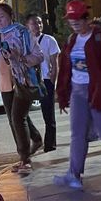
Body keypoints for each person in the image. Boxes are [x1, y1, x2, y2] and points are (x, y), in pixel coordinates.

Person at [55, 0, 101, 189]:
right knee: (77, 134)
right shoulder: (72, 40)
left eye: (77, 19)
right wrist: (63, 91)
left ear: (86, 18)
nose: (74, 23)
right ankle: (75, 174)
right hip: (78, 92)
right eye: (71, 20)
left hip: (99, 91)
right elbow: (65, 67)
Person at [0, 3, 43, 175]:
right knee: (15, 119)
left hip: (23, 82)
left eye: (1, 16)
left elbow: (38, 56)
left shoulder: (22, 33)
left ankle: (25, 159)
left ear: (10, 15)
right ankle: (36, 139)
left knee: (17, 118)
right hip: (5, 85)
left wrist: (20, 58)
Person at [26, 14, 60, 151]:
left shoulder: (49, 40)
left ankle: (50, 144)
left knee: (48, 114)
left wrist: (53, 81)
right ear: (28, 25)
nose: (37, 26)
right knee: (22, 113)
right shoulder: (26, 41)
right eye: (34, 23)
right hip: (30, 81)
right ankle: (35, 137)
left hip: (45, 80)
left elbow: (54, 63)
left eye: (39, 23)